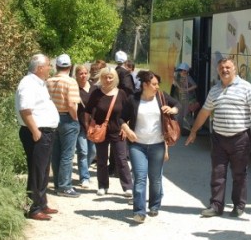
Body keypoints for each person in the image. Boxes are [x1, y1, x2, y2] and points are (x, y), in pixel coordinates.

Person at [185, 57, 251, 217]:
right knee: (217, 173)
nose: (225, 70)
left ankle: (239, 205)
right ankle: (216, 206)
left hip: (240, 138)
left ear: (235, 69)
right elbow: (204, 112)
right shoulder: (215, 90)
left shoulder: (246, 87)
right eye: (222, 68)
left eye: (228, 67)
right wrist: (194, 131)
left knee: (239, 173)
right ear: (218, 70)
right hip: (218, 138)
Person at [120, 70, 180, 223]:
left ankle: (154, 205)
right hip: (137, 145)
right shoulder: (133, 99)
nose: (157, 87)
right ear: (145, 85)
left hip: (157, 145)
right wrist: (127, 130)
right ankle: (139, 211)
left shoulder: (161, 97)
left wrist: (172, 110)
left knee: (155, 178)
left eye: (157, 84)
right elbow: (120, 118)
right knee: (140, 177)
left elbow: (178, 105)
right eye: (154, 84)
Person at [15, 54, 60, 221]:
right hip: (36, 132)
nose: (50, 68)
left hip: (45, 132)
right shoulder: (28, 84)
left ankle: (41, 203)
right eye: (48, 65)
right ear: (40, 68)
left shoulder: (38, 83)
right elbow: (25, 109)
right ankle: (32, 208)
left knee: (43, 170)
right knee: (36, 171)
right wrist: (36, 132)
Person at [85, 67, 133, 196]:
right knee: (101, 159)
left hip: (118, 131)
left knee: (121, 159)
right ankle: (102, 186)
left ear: (115, 78)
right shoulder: (96, 93)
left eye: (110, 77)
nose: (108, 79)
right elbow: (88, 111)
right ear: (101, 78)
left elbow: (128, 113)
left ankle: (128, 187)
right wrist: (87, 126)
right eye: (105, 77)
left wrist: (126, 128)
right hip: (100, 130)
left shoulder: (122, 94)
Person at [47, 54, 81, 198]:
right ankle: (65, 186)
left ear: (57, 66)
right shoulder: (71, 82)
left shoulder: (48, 81)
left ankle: (57, 183)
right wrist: (75, 118)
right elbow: (71, 104)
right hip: (67, 118)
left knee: (56, 153)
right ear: (70, 66)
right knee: (67, 155)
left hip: (51, 118)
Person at [74, 64, 96, 189]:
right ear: (76, 75)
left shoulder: (94, 88)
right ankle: (84, 177)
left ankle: (84, 170)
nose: (83, 75)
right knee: (83, 151)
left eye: (85, 73)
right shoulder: (74, 88)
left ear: (88, 74)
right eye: (80, 73)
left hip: (93, 125)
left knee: (92, 151)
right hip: (80, 124)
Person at [172, 62, 199, 129]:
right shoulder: (180, 78)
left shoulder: (188, 77)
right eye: (180, 70)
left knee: (186, 113)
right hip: (182, 98)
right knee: (182, 112)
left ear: (186, 71)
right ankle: (184, 127)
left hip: (188, 98)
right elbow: (178, 86)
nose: (181, 72)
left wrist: (187, 90)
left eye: (182, 70)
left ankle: (191, 126)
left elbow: (195, 85)